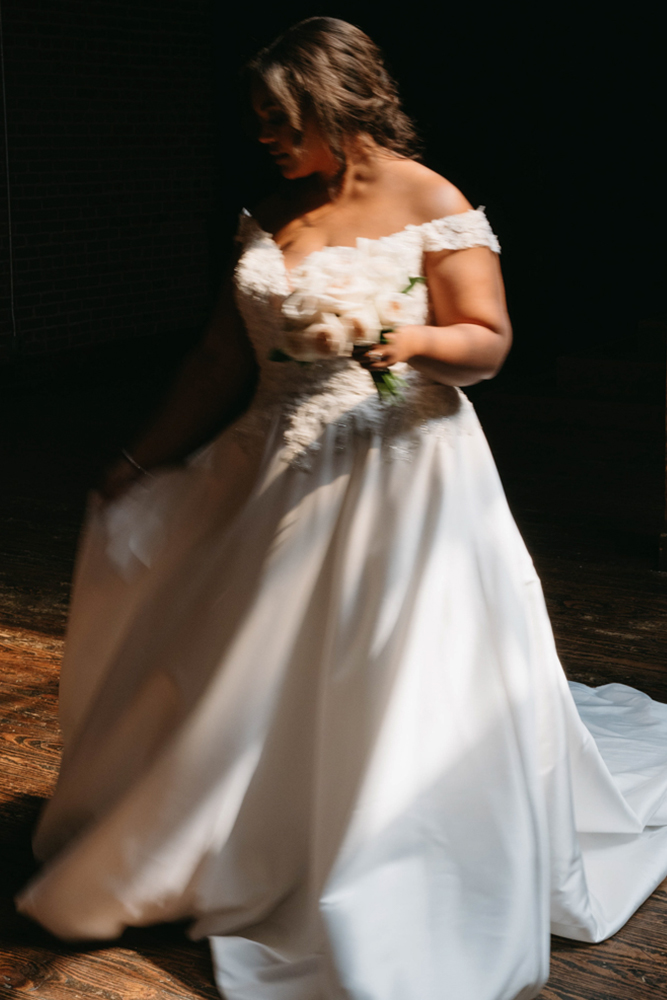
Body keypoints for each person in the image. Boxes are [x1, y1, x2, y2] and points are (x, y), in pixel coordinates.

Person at [16, 17, 667, 1000]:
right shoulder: (270, 212)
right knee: (235, 660)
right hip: (273, 462)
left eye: (281, 120)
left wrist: (409, 339)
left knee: (387, 667)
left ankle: (379, 848)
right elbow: (216, 360)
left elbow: (486, 342)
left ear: (336, 104)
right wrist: (136, 458)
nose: (267, 139)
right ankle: (238, 836)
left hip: (401, 460)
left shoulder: (429, 199)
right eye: (258, 123)